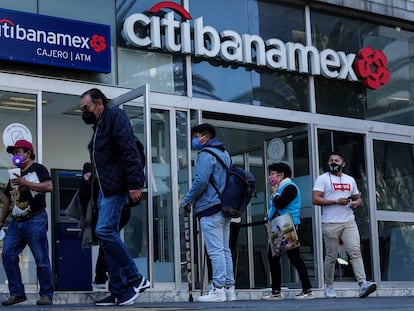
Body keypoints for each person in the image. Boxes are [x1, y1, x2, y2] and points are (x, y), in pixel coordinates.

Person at [80, 88, 149, 306]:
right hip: (103, 188)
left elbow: (128, 150)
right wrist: (91, 170)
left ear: (99, 103)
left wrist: (134, 184)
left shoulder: (115, 116)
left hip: (117, 187)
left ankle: (136, 278)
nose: (84, 111)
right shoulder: (99, 125)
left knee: (104, 230)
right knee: (105, 237)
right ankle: (118, 290)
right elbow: (105, 158)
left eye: (86, 107)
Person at [181, 123, 236, 302]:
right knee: (225, 249)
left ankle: (218, 289)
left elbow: (201, 181)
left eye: (196, 136)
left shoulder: (206, 154)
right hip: (225, 207)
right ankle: (229, 289)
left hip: (210, 207)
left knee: (215, 251)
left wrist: (186, 199)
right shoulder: (225, 153)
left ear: (205, 136)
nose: (194, 140)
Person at [312, 151, 376, 298]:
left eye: (336, 160)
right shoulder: (322, 179)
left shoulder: (350, 180)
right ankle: (329, 285)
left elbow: (358, 198)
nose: (333, 163)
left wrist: (356, 203)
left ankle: (363, 284)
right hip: (330, 222)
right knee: (331, 256)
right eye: (331, 160)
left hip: (348, 221)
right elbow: (315, 199)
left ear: (343, 164)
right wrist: (336, 201)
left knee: (355, 251)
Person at [0, 139, 54, 306]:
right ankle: (17, 293)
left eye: (17, 152)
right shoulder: (14, 173)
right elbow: (9, 201)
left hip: (35, 219)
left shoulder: (38, 169)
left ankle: (46, 295)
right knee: (8, 254)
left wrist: (25, 182)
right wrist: (1, 220)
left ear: (27, 153)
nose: (15, 156)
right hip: (16, 222)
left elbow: (49, 186)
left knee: (41, 258)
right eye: (13, 153)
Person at [262, 162, 314, 300]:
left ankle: (306, 290)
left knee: (293, 258)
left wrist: (274, 194)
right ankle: (277, 291)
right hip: (280, 225)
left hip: (287, 225)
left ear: (281, 175)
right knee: (275, 258)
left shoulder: (289, 187)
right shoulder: (282, 187)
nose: (270, 177)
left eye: (272, 173)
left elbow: (281, 203)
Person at [78, 162, 132, 290]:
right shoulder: (93, 169)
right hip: (107, 212)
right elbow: (83, 196)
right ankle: (116, 280)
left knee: (109, 243)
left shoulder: (113, 169)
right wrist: (86, 181)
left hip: (117, 210)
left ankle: (112, 278)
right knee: (108, 244)